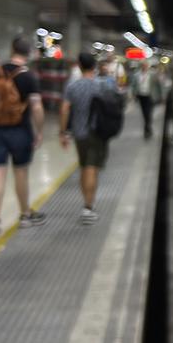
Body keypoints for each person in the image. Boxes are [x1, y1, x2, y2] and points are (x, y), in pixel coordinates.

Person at [0, 36, 46, 237]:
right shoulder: (29, 77)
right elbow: (37, 107)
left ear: (12, 49)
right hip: (20, 131)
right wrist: (39, 131)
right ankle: (24, 215)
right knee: (20, 172)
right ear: (29, 52)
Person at [60, 53, 117, 224]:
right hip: (97, 133)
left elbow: (64, 109)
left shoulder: (71, 86)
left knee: (84, 167)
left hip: (79, 134)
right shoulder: (102, 86)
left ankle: (86, 204)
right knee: (92, 168)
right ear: (94, 66)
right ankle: (88, 208)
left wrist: (63, 132)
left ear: (79, 65)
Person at [132, 61, 161, 138]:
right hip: (141, 95)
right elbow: (134, 85)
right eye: (143, 66)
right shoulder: (136, 75)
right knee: (144, 112)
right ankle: (148, 127)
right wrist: (134, 94)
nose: (144, 67)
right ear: (141, 66)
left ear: (148, 66)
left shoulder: (153, 74)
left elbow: (158, 85)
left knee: (149, 112)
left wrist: (161, 96)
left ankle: (147, 128)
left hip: (150, 96)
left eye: (146, 66)